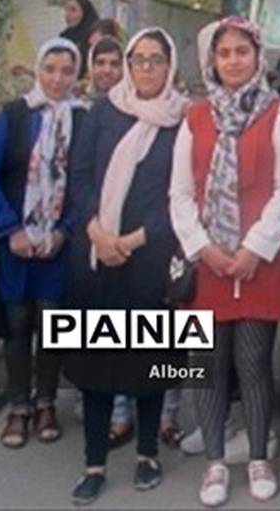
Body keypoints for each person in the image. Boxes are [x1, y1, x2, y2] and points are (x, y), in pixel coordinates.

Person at [170, 17, 280, 507]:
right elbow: (180, 192)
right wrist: (202, 246)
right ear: (213, 61)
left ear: (257, 57)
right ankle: (214, 462)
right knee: (206, 364)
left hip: (258, 264)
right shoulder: (195, 117)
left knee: (252, 363)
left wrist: (254, 248)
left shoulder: (279, 114)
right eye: (224, 53)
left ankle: (258, 457)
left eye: (241, 52)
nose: (233, 61)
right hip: (207, 262)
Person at [63, 28, 189, 505]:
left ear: (170, 65)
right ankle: (94, 463)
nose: (146, 68)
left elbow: (182, 195)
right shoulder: (103, 112)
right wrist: (98, 233)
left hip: (149, 257)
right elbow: (79, 178)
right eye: (138, 59)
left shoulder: (182, 120)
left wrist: (134, 240)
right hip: (96, 256)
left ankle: (147, 454)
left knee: (149, 363)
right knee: (97, 364)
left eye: (156, 60)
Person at [0, 37, 85, 450]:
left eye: (66, 71)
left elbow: (87, 182)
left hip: (57, 244)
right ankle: (18, 407)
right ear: (38, 70)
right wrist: (11, 230)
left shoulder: (82, 119)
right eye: (50, 69)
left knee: (53, 324)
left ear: (75, 75)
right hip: (17, 243)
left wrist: (63, 231)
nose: (57, 79)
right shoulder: (15, 114)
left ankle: (46, 404)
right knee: (18, 323)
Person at [60, 0, 100, 77]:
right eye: (66, 10)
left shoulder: (95, 35)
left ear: (85, 13)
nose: (68, 14)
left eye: (73, 10)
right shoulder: (64, 37)